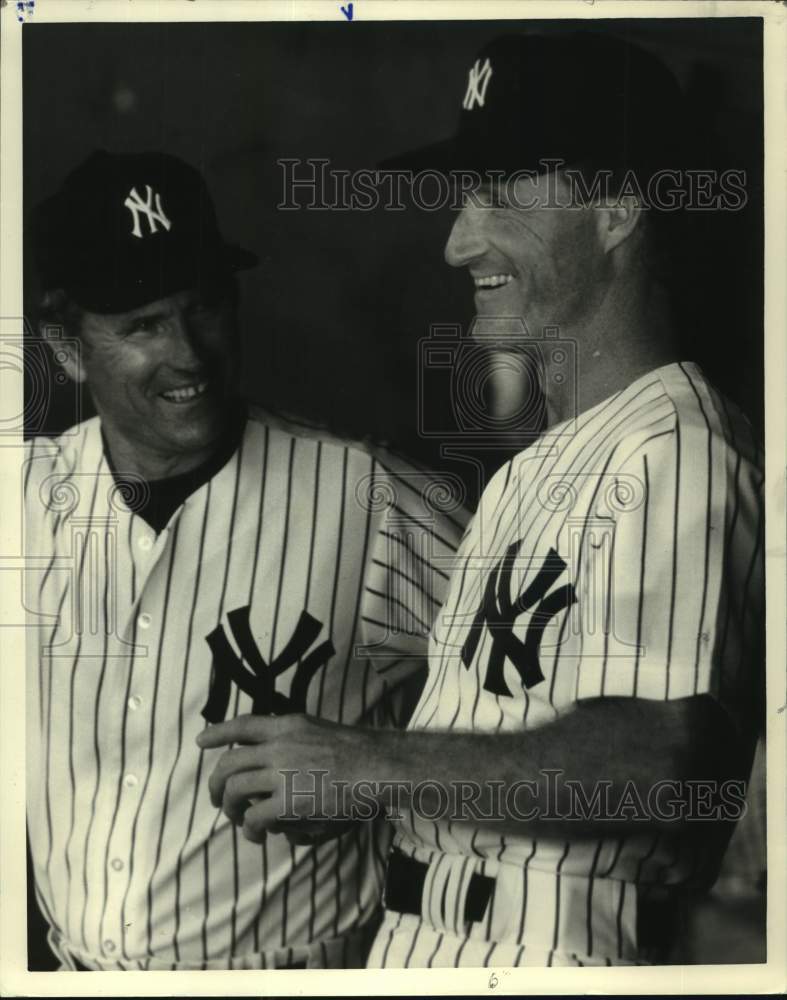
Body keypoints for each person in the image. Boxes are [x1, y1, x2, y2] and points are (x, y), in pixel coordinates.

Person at [200, 33, 765, 967]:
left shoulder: (677, 446)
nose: (459, 239)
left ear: (617, 207)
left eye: (499, 192)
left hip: (551, 955)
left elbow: (662, 763)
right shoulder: (533, 469)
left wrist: (362, 765)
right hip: (434, 940)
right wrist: (353, 791)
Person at [24, 150, 467, 970]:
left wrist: (382, 770)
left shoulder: (366, 499)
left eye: (205, 308)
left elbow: (565, 693)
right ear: (66, 346)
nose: (189, 354)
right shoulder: (20, 501)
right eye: (143, 325)